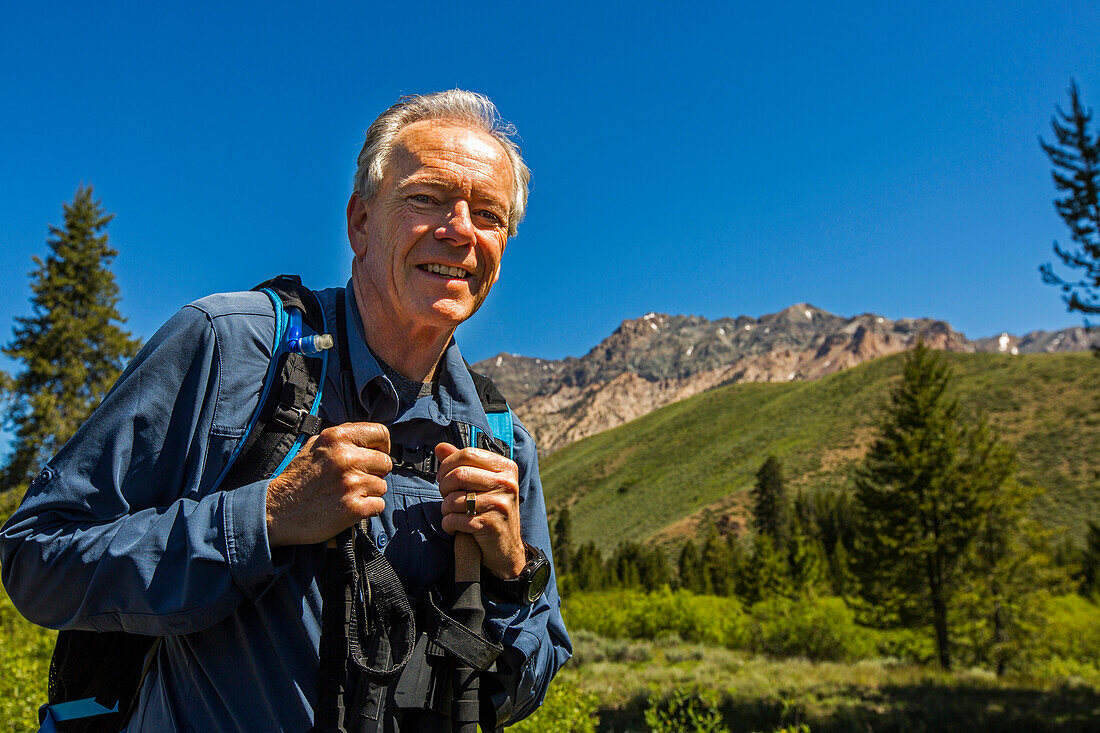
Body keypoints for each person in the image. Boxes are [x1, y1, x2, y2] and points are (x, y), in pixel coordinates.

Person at [0, 90, 571, 732]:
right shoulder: (230, 346)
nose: (461, 230)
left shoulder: (500, 439)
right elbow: (36, 561)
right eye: (426, 198)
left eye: (489, 215)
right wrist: (264, 518)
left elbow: (524, 683)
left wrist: (508, 571)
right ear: (359, 221)